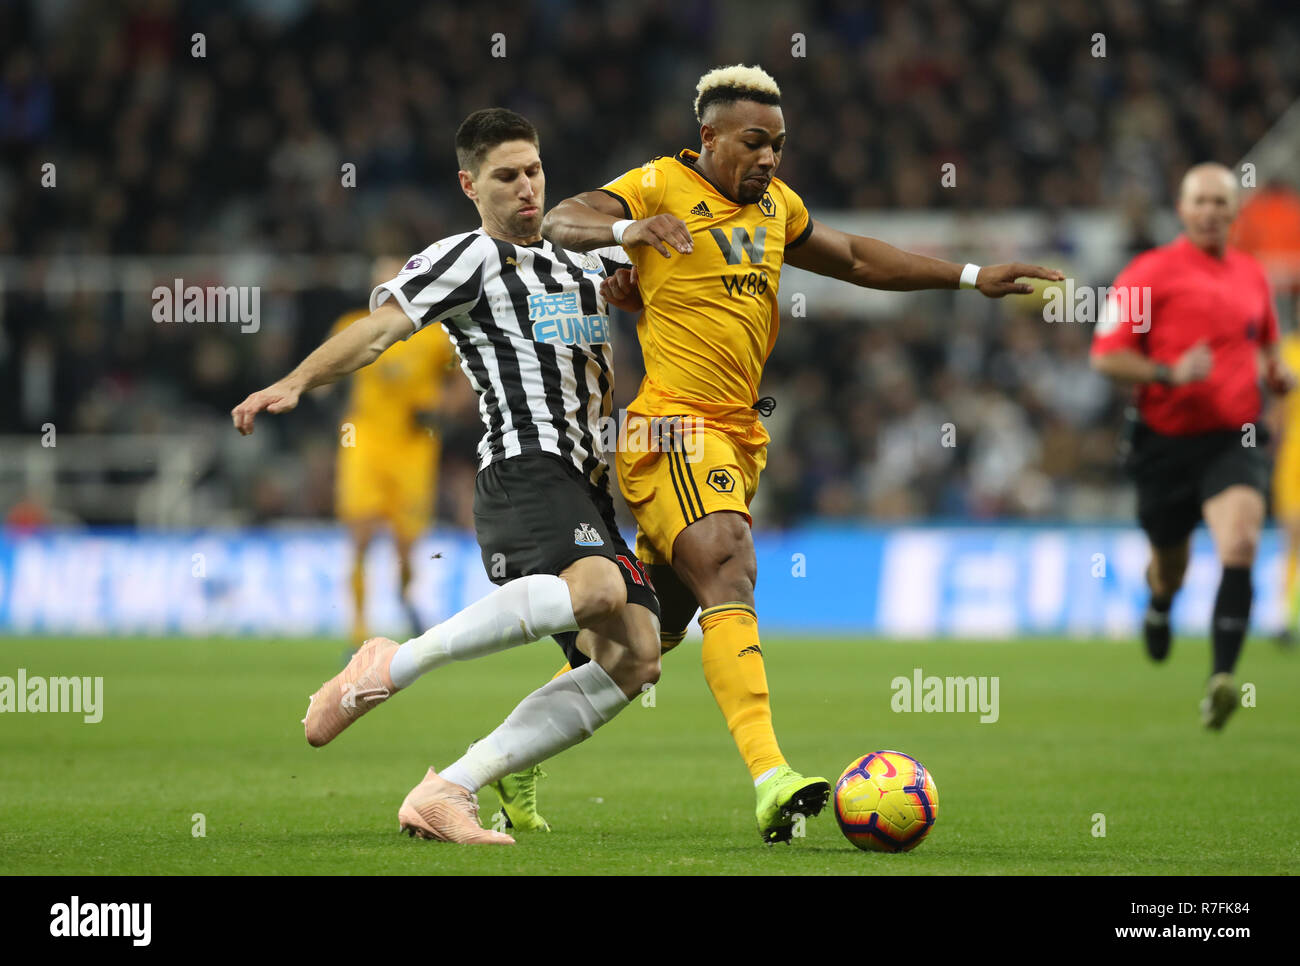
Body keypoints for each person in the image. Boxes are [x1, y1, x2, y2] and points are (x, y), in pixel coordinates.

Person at [540, 64, 1062, 841]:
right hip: (672, 427)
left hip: (735, 435)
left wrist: (971, 276)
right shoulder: (658, 186)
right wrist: (628, 231)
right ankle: (771, 777)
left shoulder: (777, 207)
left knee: (648, 634)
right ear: (710, 136)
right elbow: (562, 219)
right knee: (729, 561)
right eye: (755, 142)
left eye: (779, 145)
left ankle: (513, 752)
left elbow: (853, 259)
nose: (769, 158)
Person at [232, 108, 661, 844]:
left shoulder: (583, 263)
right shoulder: (468, 258)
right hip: (524, 466)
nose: (526, 188)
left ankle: (449, 787)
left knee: (635, 656)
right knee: (598, 588)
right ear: (470, 186)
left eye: (534, 171)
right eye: (506, 176)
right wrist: (296, 382)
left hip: (588, 485)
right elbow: (379, 332)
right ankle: (393, 663)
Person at [1091, 162, 1294, 730]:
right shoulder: (1146, 273)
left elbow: (1266, 347)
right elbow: (1106, 356)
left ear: (1234, 212)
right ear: (1181, 210)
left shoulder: (1253, 275)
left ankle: (1221, 680)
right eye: (1199, 201)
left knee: (1242, 542)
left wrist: (1275, 374)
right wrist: (1170, 372)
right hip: (1164, 442)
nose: (1209, 211)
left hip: (1233, 437)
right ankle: (1159, 606)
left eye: (1219, 202)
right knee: (1170, 568)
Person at [329, 255, 460, 646]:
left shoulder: (434, 335)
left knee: (406, 545)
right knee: (361, 535)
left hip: (414, 448)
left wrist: (442, 406)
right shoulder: (352, 325)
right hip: (365, 441)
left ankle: (405, 595)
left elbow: (464, 377)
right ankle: (357, 632)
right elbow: (329, 369)